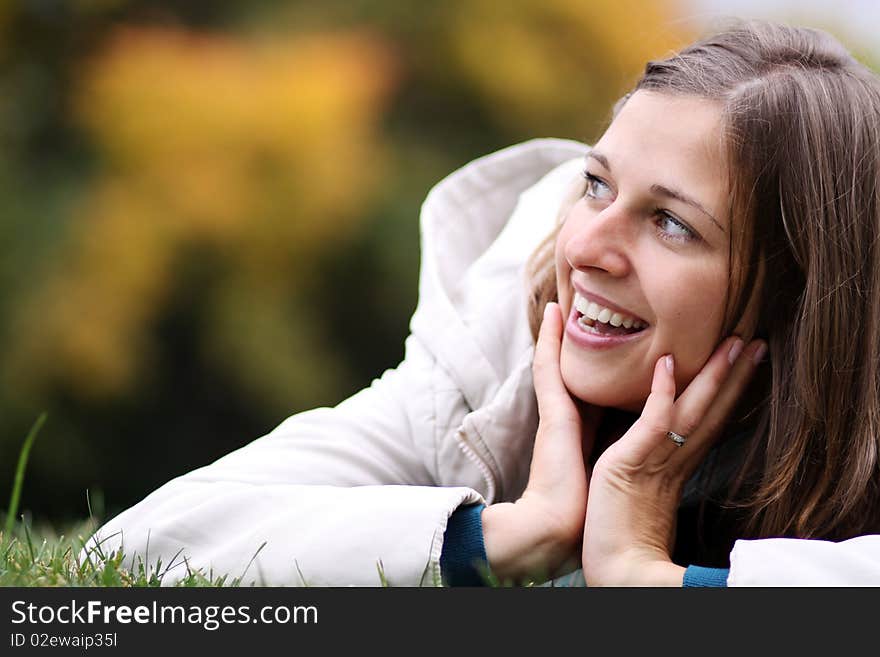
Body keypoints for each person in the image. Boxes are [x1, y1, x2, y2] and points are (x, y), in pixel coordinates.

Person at [87, 19, 880, 586]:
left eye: (671, 223)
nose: (585, 248)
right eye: (596, 186)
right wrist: (504, 533)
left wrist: (646, 575)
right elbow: (137, 549)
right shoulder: (499, 341)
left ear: (797, 294)